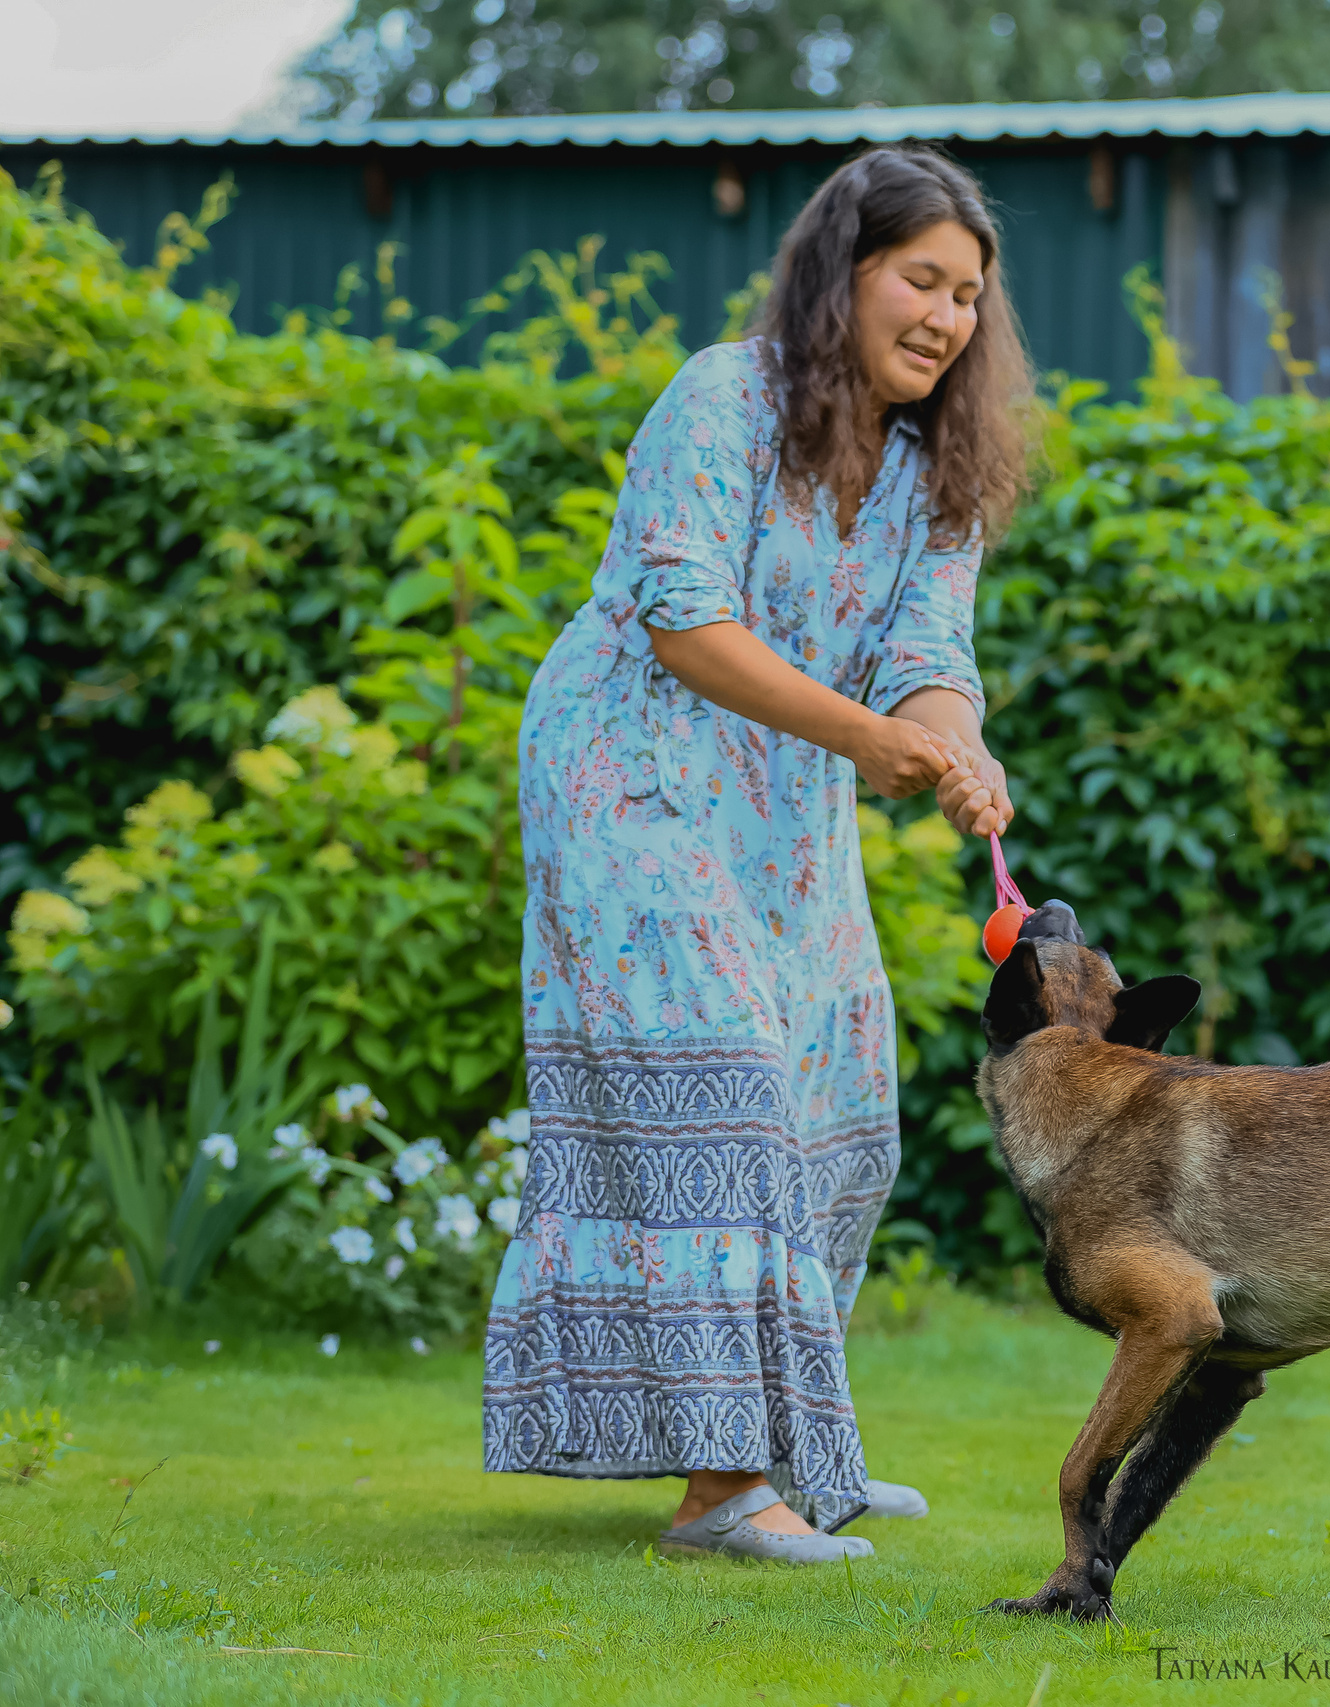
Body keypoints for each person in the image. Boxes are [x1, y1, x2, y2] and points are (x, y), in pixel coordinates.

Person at [481, 148, 1029, 1564]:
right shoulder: (726, 397)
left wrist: (954, 744)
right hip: (632, 782)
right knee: (723, 1092)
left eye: (969, 294)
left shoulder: (937, 467)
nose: (949, 315)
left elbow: (929, 656)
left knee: (846, 1098)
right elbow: (685, 621)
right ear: (841, 272)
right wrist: (871, 741)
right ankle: (722, 1494)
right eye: (923, 279)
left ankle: (788, 1444)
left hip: (782, 802)